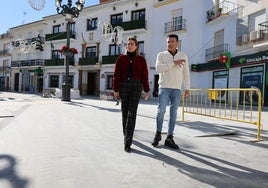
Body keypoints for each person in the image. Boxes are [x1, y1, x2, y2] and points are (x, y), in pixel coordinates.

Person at [152, 34, 190, 149]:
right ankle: (158, 134)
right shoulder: (161, 55)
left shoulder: (183, 55)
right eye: (168, 42)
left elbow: (186, 73)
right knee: (161, 111)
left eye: (172, 41)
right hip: (164, 87)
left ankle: (169, 137)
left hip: (177, 89)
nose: (170, 43)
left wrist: (187, 87)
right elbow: (158, 68)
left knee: (173, 113)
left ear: (177, 43)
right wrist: (174, 63)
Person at [113, 37, 150, 153]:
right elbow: (116, 75)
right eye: (128, 44)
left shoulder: (141, 60)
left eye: (132, 44)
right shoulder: (121, 59)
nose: (129, 45)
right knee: (124, 113)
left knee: (131, 113)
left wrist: (147, 90)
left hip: (136, 87)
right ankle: (127, 135)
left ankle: (128, 142)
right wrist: (116, 89)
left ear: (136, 46)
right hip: (124, 86)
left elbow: (145, 75)